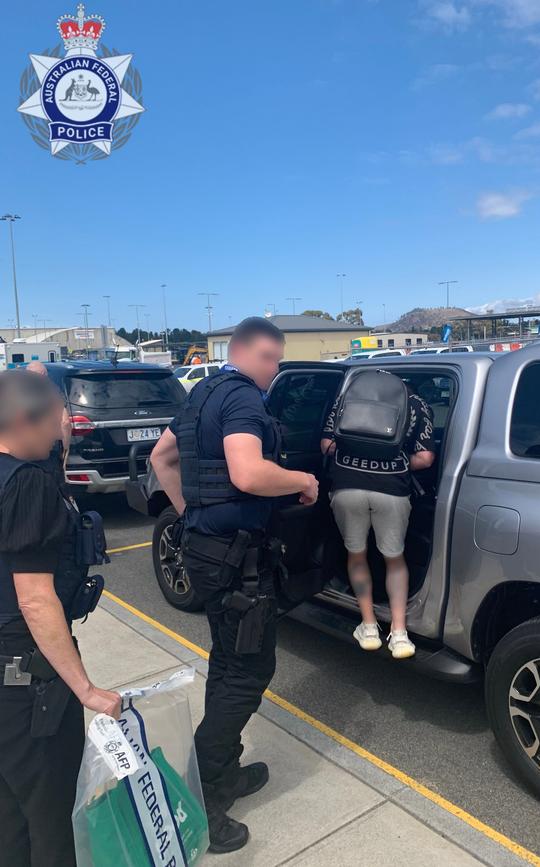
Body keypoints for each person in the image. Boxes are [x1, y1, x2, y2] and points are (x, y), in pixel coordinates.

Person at [151, 317, 318, 854]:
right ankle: (201, 797)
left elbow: (161, 458)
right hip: (238, 560)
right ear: (244, 352)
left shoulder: (203, 393)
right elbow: (247, 475)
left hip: (208, 554)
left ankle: (223, 772)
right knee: (249, 671)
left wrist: (192, 513)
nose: (275, 370)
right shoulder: (244, 399)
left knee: (227, 662)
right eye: (270, 358)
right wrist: (302, 480)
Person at [0, 369, 121, 867]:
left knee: (9, 818)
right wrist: (85, 690)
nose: (60, 433)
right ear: (26, 420)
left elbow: (56, 447)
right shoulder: (27, 486)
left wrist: (44, 393)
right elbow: (35, 599)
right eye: (55, 422)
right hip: (26, 682)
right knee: (52, 819)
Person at [320, 377, 435, 659]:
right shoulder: (417, 403)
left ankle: (369, 626)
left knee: (356, 555)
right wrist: (393, 461)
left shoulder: (347, 398)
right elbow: (426, 458)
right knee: (395, 560)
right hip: (392, 490)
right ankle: (399, 633)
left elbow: (326, 445)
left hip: (347, 486)